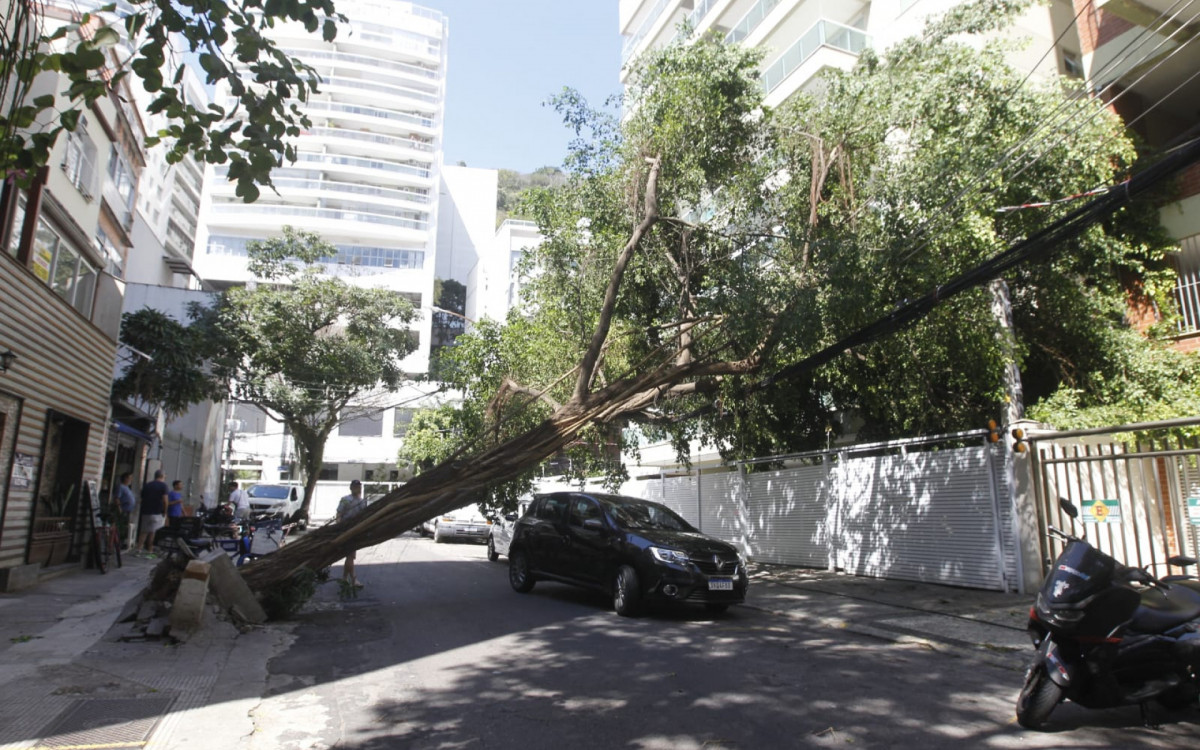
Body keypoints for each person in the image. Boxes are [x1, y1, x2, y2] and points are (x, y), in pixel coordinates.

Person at [336, 480, 368, 588]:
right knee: (350, 555)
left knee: (350, 555)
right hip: (346, 529)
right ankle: (354, 580)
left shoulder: (362, 502)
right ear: (351, 488)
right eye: (355, 486)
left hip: (356, 530)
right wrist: (339, 527)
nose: (357, 488)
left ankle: (344, 578)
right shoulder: (345, 500)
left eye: (358, 486)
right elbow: (339, 514)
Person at [136, 469, 169, 556]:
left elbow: (142, 498)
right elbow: (165, 500)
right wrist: (165, 512)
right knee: (153, 532)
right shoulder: (164, 486)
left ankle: (138, 549)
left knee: (144, 531)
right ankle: (150, 550)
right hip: (157, 512)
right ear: (162, 476)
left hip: (146, 511)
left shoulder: (147, 485)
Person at [113, 472, 137, 550]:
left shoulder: (127, 488)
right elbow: (117, 498)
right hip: (123, 510)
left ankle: (121, 542)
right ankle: (117, 543)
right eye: (130, 478)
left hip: (128, 510)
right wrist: (119, 507)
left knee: (125, 527)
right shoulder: (121, 487)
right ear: (125, 478)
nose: (131, 480)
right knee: (121, 527)